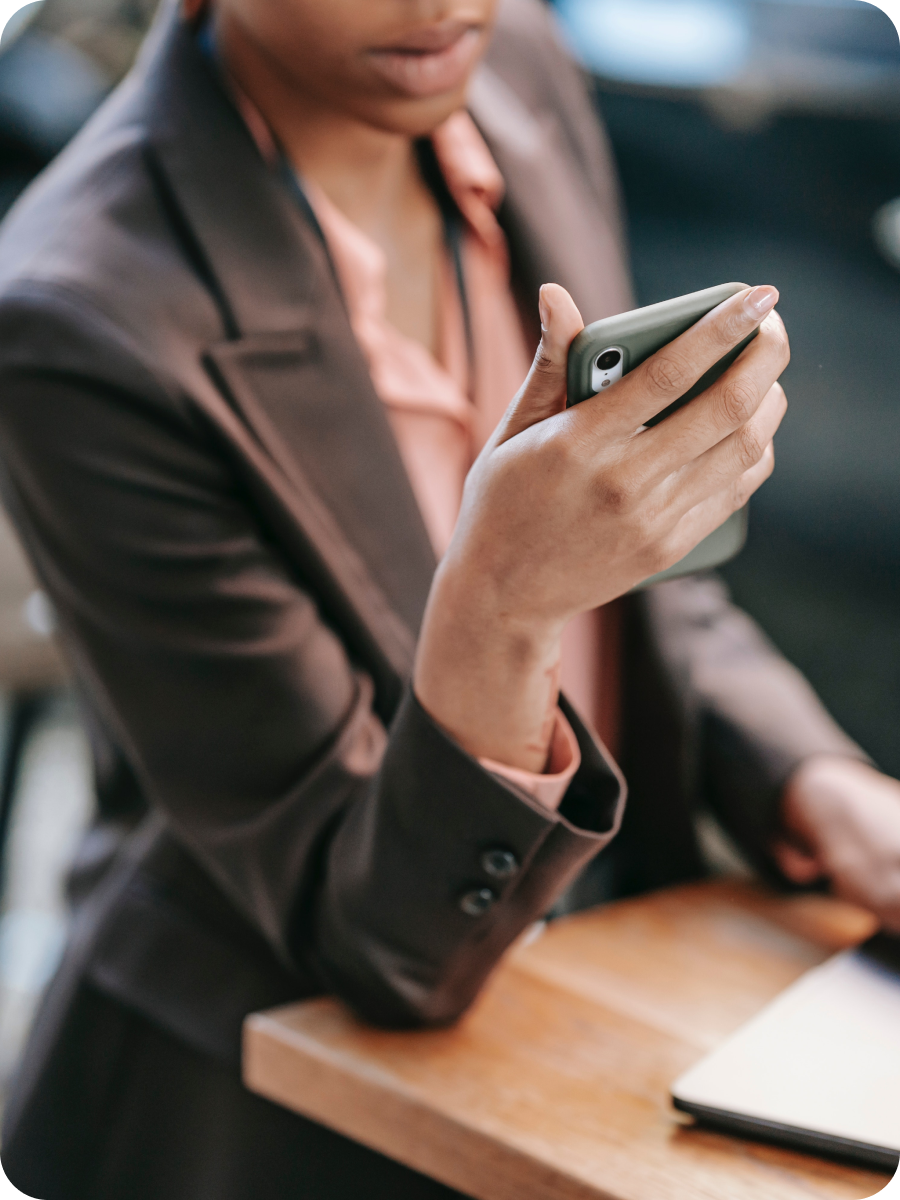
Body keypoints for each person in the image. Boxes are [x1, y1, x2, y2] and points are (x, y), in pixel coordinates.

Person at [0, 0, 898, 1196]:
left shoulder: (511, 62)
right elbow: (374, 948)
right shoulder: (76, 313)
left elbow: (636, 591)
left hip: (603, 1000)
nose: (444, 3)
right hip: (270, 1103)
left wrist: (816, 781)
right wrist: (500, 608)